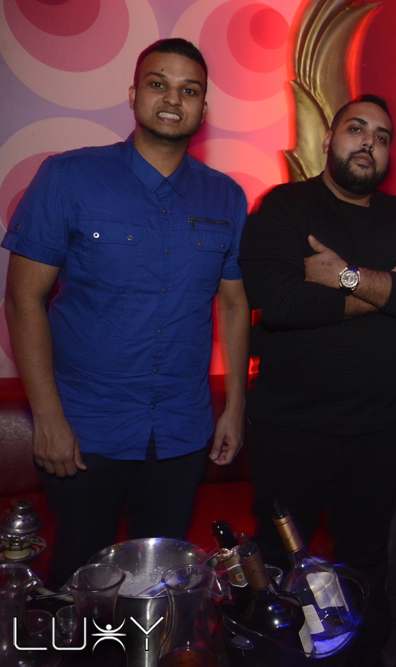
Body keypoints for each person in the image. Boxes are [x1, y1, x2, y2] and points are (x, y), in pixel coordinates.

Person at [2, 38, 249, 586]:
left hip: (181, 433)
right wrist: (48, 419)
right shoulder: (67, 177)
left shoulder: (227, 197)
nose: (173, 99)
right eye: (159, 84)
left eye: (189, 90)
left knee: (159, 583)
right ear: (135, 94)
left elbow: (234, 303)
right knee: (77, 579)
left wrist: (234, 407)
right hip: (84, 431)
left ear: (203, 108)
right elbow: (23, 300)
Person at [238, 94, 396, 666]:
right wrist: (388, 289)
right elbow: (279, 302)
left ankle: (360, 656)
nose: (369, 142)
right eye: (356, 129)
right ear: (328, 139)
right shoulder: (285, 207)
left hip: (378, 429)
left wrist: (342, 276)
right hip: (289, 428)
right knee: (277, 563)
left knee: (364, 563)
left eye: (382, 136)